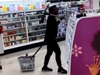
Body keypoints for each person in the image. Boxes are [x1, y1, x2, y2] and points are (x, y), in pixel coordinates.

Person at [41, 5, 67, 74]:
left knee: (49, 53)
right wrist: (60, 19)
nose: (57, 10)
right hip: (51, 39)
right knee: (58, 52)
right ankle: (60, 68)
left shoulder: (51, 17)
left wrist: (59, 19)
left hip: (49, 38)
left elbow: (54, 26)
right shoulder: (51, 18)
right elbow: (53, 26)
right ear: (52, 11)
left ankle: (45, 67)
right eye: (56, 9)